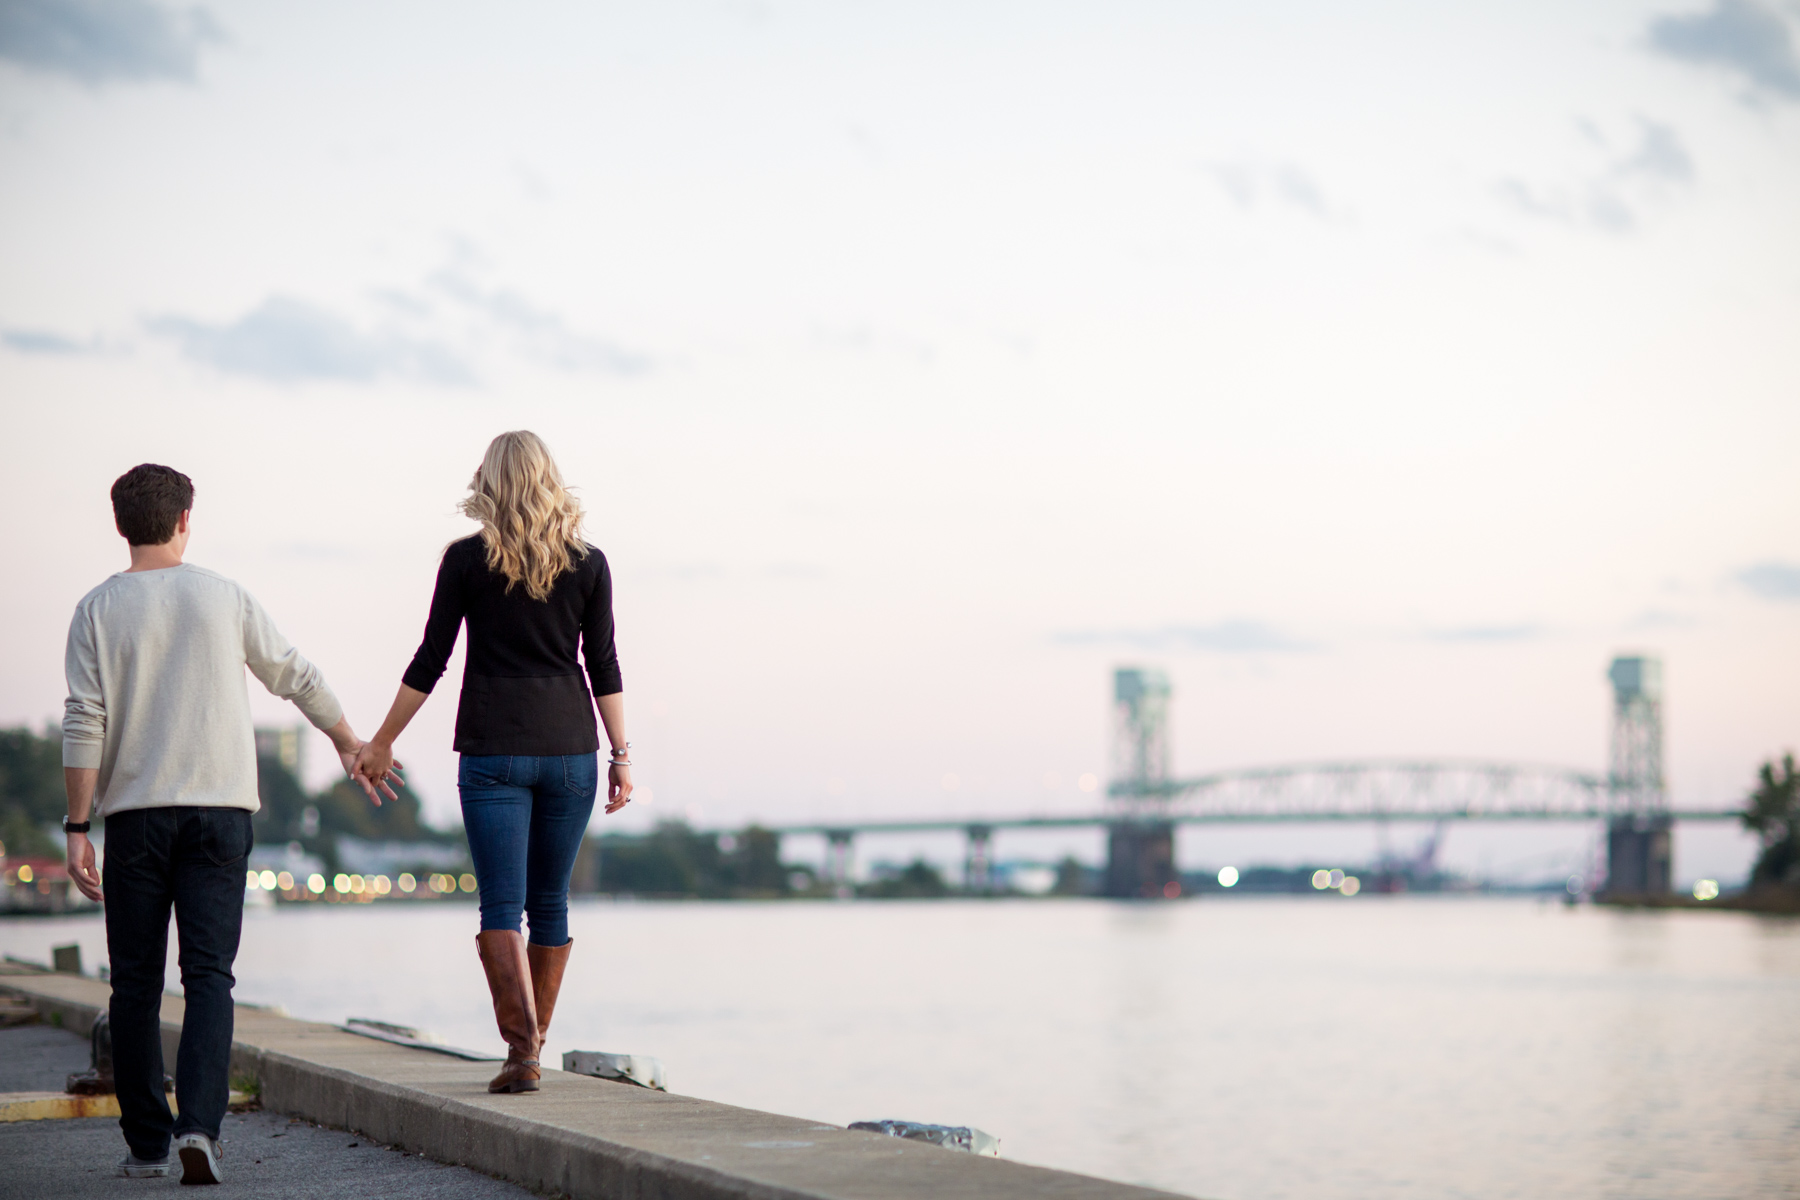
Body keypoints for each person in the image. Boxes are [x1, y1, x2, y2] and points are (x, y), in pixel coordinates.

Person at [62, 463, 393, 1185]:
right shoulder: (222, 595)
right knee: (209, 975)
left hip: (137, 819)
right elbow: (294, 673)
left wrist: (77, 825)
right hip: (220, 813)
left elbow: (85, 720)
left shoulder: (96, 609)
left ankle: (147, 1143)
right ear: (185, 520)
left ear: (122, 524)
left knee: (135, 984)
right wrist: (346, 739)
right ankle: (200, 1130)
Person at [353, 430, 632, 1094]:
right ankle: (530, 1050)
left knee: (502, 906)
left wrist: (382, 739)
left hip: (492, 750)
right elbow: (604, 665)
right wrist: (621, 756)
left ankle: (522, 1056)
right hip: (572, 751)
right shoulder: (589, 563)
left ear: (489, 482)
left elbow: (431, 659)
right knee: (551, 904)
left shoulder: (465, 562)